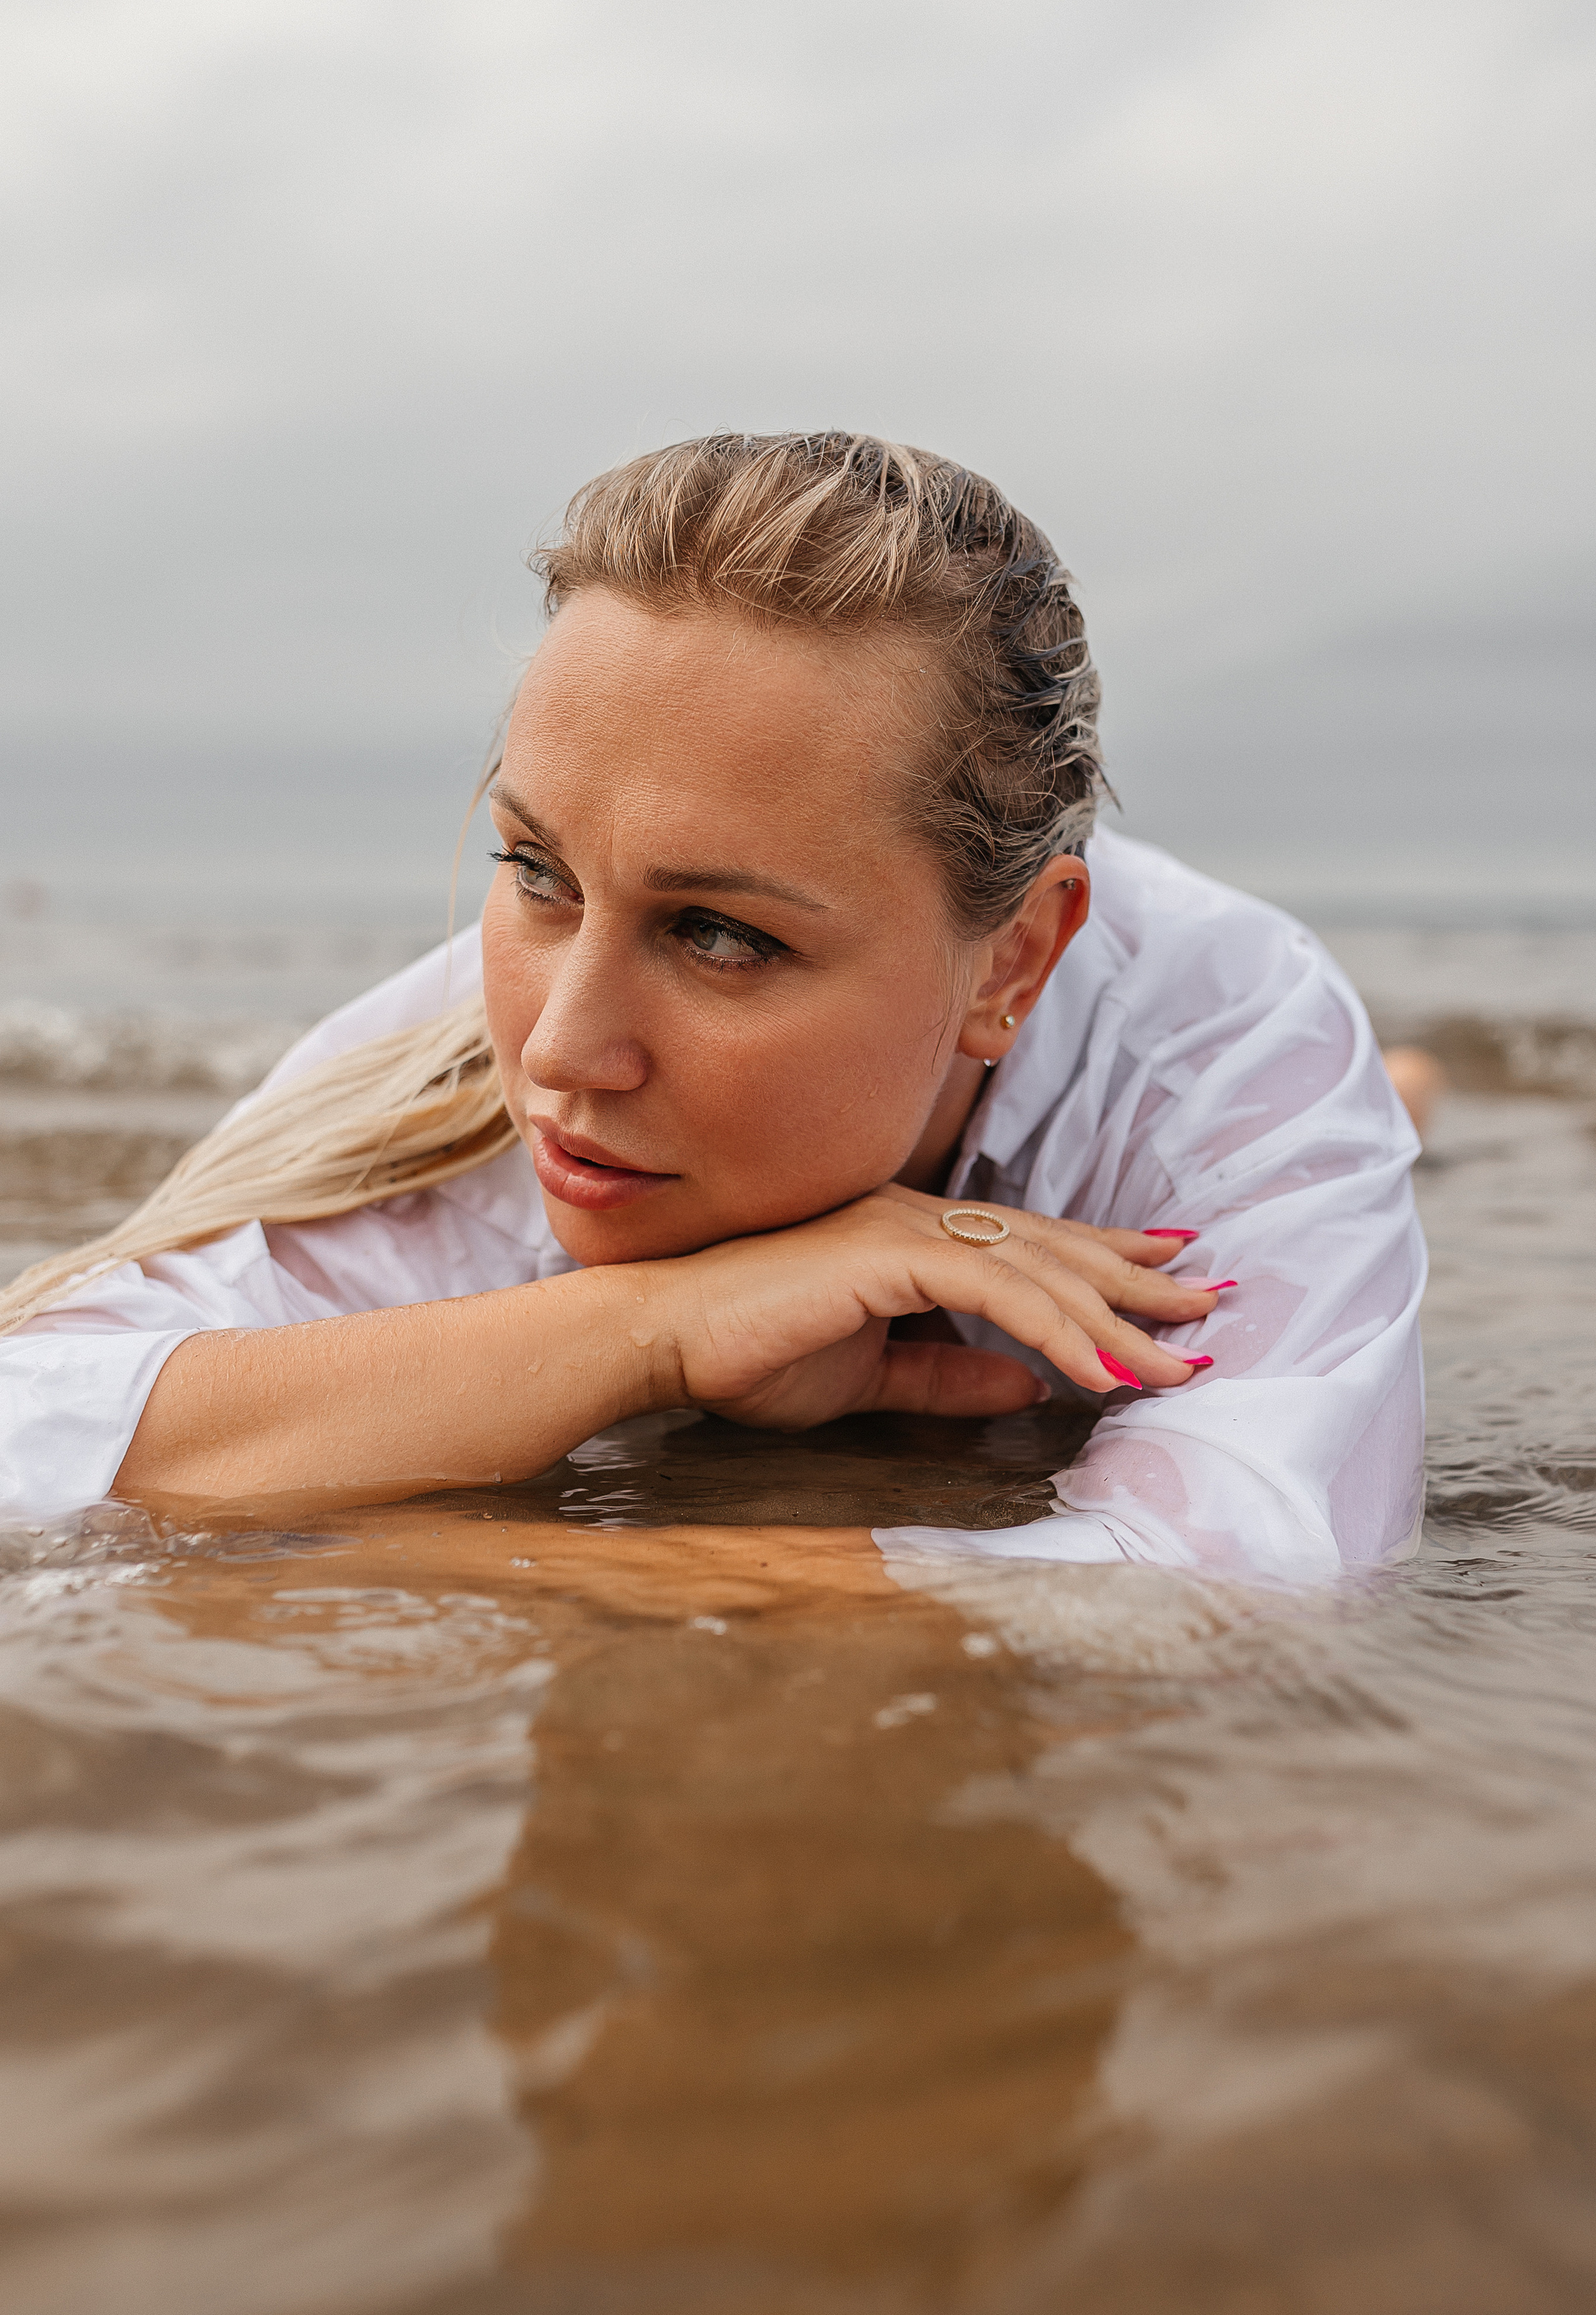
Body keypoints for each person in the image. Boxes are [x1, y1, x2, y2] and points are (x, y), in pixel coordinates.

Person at [0, 435, 1426, 1580]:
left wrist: (580, 1565)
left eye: (719, 935)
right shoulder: (463, 1067)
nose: (556, 1048)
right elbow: (32, 1429)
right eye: (535, 869)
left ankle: (1409, 1105)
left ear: (1008, 967)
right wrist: (661, 1329)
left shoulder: (1220, 1044)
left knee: (1398, 1121)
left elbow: (1246, 1574)